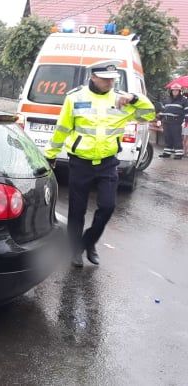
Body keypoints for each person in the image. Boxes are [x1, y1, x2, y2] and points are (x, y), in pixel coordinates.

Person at [44, 60, 156, 267]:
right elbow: (62, 128)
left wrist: (134, 98)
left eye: (112, 79)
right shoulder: (75, 98)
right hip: (80, 163)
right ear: (93, 77)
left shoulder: (121, 100)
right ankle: (75, 249)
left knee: (107, 207)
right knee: (76, 210)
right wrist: (50, 154)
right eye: (105, 79)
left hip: (107, 163)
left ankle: (90, 241)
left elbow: (149, 114)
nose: (110, 83)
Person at [158, 84, 188, 159]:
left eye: (177, 90)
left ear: (180, 91)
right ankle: (167, 152)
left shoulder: (184, 100)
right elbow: (163, 110)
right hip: (166, 121)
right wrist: (159, 119)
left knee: (176, 137)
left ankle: (179, 154)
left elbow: (187, 111)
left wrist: (186, 121)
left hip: (176, 122)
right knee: (167, 137)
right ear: (171, 91)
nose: (175, 91)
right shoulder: (167, 99)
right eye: (173, 90)